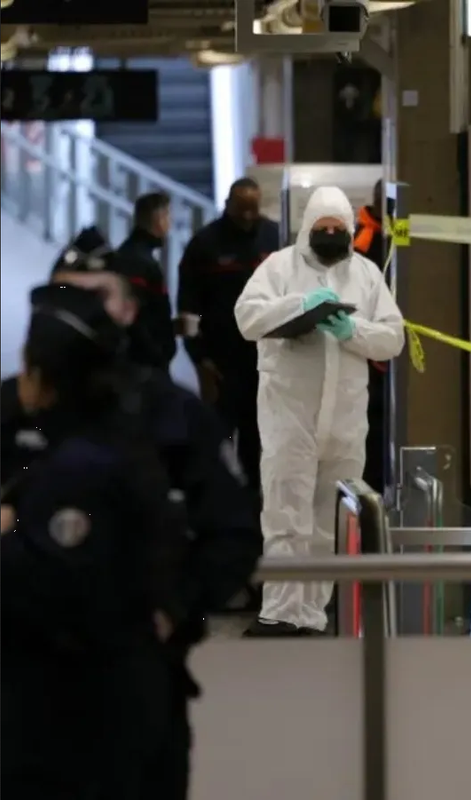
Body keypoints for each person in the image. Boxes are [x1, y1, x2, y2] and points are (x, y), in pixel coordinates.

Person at [3, 270, 261, 800]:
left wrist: (176, 610)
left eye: (95, 297)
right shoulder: (14, 407)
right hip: (22, 685)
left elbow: (231, 530)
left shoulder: (170, 412)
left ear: (126, 310)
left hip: (129, 681)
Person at [1, 283, 188, 799]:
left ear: (43, 377)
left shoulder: (80, 469)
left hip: (79, 706)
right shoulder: (112, 447)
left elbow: (50, 583)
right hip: (115, 695)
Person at [235, 185, 405, 636]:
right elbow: (247, 317)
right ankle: (281, 612)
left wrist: (351, 330)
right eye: (322, 228)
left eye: (338, 229)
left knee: (331, 523)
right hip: (290, 416)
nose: (330, 235)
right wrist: (299, 306)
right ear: (306, 228)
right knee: (285, 514)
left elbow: (393, 338)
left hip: (345, 422)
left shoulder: (366, 275)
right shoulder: (279, 267)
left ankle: (312, 615)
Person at [177, 177, 281, 495]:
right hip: (220, 365)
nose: (249, 217)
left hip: (263, 363)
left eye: (253, 210)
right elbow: (188, 312)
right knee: (217, 441)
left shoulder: (273, 237)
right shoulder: (205, 244)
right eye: (242, 210)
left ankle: (253, 512)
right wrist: (199, 360)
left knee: (257, 443)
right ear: (228, 205)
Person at [51, 225, 171, 372]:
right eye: (74, 295)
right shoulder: (43, 371)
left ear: (129, 307)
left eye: (99, 295)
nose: (84, 307)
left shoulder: (148, 377)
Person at [352, 179, 389, 493]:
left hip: (392, 348)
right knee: (371, 424)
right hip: (366, 352)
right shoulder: (361, 242)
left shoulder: (399, 235)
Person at [116, 191, 177, 370]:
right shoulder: (138, 261)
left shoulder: (136, 254)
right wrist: (157, 353)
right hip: (144, 365)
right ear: (159, 219)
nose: (170, 224)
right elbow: (136, 317)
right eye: (168, 217)